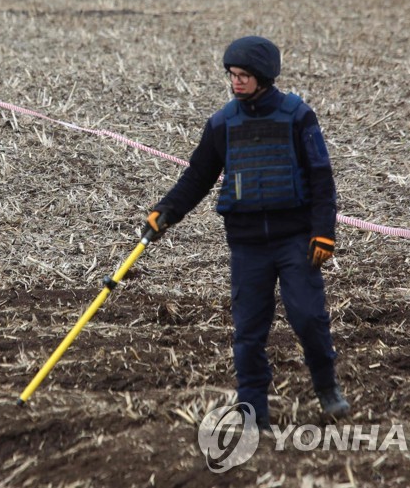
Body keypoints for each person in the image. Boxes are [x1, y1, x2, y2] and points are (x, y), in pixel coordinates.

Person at [144, 35, 348, 428]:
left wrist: (324, 232)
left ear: (264, 77)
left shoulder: (297, 116)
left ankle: (326, 386)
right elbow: (198, 177)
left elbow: (322, 178)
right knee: (249, 334)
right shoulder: (222, 124)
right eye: (232, 75)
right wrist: (166, 211)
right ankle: (254, 413)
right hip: (247, 245)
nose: (236, 82)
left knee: (308, 318)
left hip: (295, 240)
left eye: (243, 76)